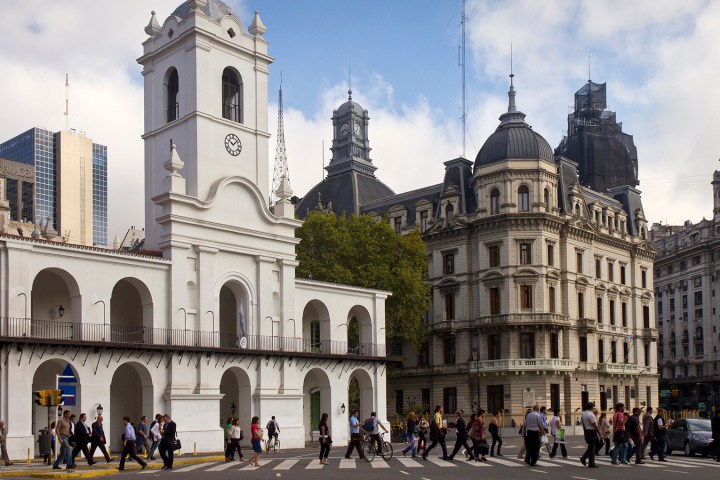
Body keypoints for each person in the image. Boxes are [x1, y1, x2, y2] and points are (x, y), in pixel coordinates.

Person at [579, 402, 599, 468]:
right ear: (592, 407)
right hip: (592, 431)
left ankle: (584, 458)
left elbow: (583, 425)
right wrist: (600, 433)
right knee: (593, 448)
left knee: (590, 447)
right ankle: (591, 462)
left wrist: (585, 433)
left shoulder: (583, 414)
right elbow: (594, 425)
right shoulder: (591, 414)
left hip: (587, 431)